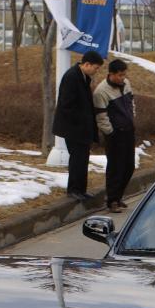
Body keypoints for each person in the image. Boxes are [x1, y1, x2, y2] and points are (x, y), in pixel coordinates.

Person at [53, 49, 103, 201]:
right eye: (95, 67)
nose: (96, 71)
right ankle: (73, 189)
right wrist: (81, 122)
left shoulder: (83, 77)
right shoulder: (72, 77)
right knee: (77, 158)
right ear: (87, 64)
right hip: (73, 128)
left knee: (83, 159)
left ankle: (81, 189)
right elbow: (66, 105)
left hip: (82, 128)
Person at [94, 58, 136, 212]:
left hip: (128, 130)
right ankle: (112, 200)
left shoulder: (126, 84)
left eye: (124, 75)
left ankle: (119, 197)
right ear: (111, 74)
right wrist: (110, 132)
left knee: (129, 166)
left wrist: (132, 119)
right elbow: (101, 115)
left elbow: (131, 102)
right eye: (119, 75)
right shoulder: (101, 91)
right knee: (115, 167)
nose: (122, 78)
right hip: (115, 134)